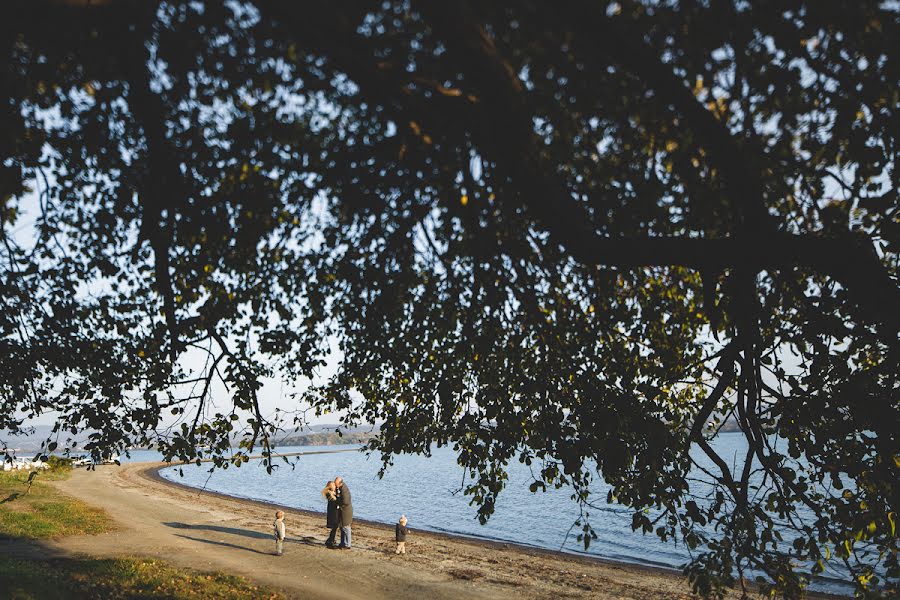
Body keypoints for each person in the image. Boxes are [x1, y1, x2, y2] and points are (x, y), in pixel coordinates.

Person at [334, 476, 353, 549]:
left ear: (340, 483)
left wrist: (338, 501)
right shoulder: (341, 488)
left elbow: (345, 501)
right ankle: (343, 543)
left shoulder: (344, 490)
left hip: (346, 511)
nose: (336, 486)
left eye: (336, 484)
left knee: (346, 527)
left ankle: (348, 544)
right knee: (342, 526)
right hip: (343, 510)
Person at [322, 480, 340, 547]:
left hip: (333, 511)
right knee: (334, 526)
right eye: (334, 485)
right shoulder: (329, 494)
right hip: (333, 512)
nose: (335, 486)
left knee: (335, 527)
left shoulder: (332, 493)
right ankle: (330, 540)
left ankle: (331, 539)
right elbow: (335, 501)